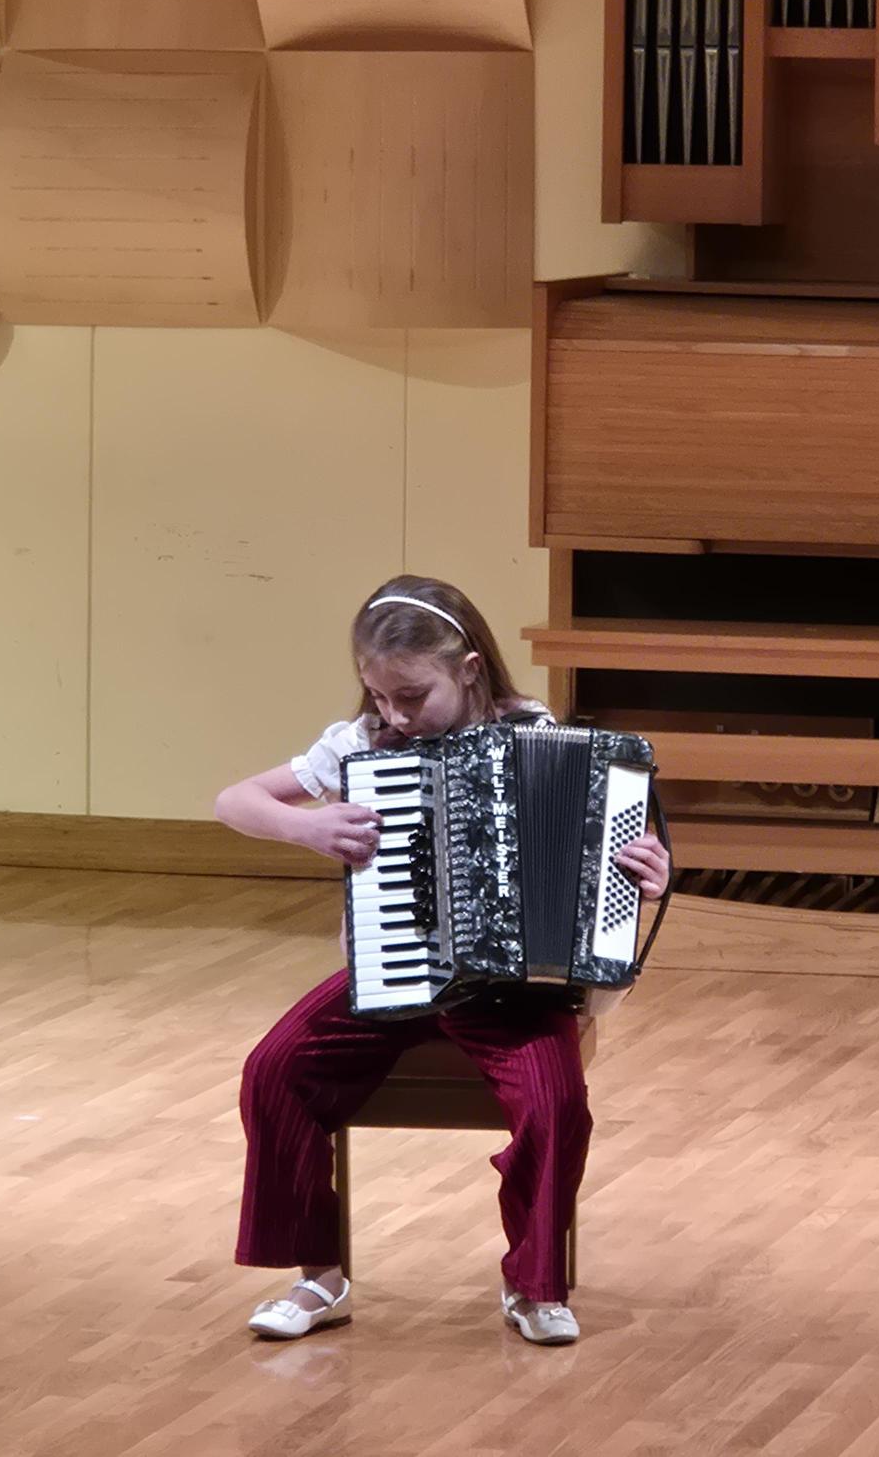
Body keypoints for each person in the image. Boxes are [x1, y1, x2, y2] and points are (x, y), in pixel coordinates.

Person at [215, 575, 670, 1346]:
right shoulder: (358, 742)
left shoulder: (530, 729)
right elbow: (235, 800)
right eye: (378, 695)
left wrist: (642, 868)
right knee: (275, 1068)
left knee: (555, 1101)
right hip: (389, 971)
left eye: (411, 696)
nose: (393, 714)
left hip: (510, 991)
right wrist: (308, 827)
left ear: (467, 670)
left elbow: (600, 859)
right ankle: (319, 1274)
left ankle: (531, 1283)